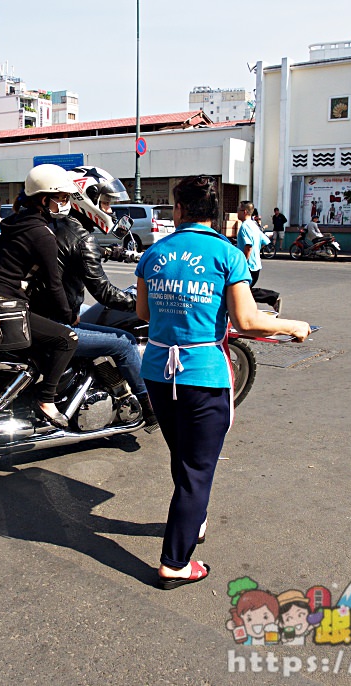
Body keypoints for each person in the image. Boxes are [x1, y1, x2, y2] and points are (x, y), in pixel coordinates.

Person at [135, 175, 311, 589]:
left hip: (158, 372)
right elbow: (247, 322)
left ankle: (191, 521)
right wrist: (293, 325)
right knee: (198, 468)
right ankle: (175, 563)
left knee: (184, 457)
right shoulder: (226, 255)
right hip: (203, 374)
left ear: (178, 210)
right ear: (215, 213)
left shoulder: (154, 254)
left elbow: (144, 313)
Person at [30, 166, 157, 429]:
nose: (110, 210)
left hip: (38, 313)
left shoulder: (55, 226)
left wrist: (116, 253)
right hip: (56, 323)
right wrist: (142, 304)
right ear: (86, 199)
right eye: (107, 203)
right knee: (124, 342)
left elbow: (81, 251)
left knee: (89, 314)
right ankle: (150, 405)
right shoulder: (81, 238)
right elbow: (105, 293)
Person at [0, 164, 79, 428]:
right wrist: (68, 316)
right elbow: (54, 284)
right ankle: (46, 400)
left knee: (41, 341)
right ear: (44, 199)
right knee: (67, 340)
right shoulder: (42, 233)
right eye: (61, 197)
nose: (65, 203)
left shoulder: (15, 223)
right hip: (1, 306)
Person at [236, 201, 270, 287]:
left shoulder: (245, 226)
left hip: (248, 267)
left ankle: (273, 297)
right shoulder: (253, 225)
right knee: (246, 292)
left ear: (244, 212)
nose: (237, 213)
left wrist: (242, 263)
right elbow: (265, 241)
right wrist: (256, 250)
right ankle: (273, 297)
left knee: (242, 293)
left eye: (238, 210)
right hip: (256, 265)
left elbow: (248, 247)